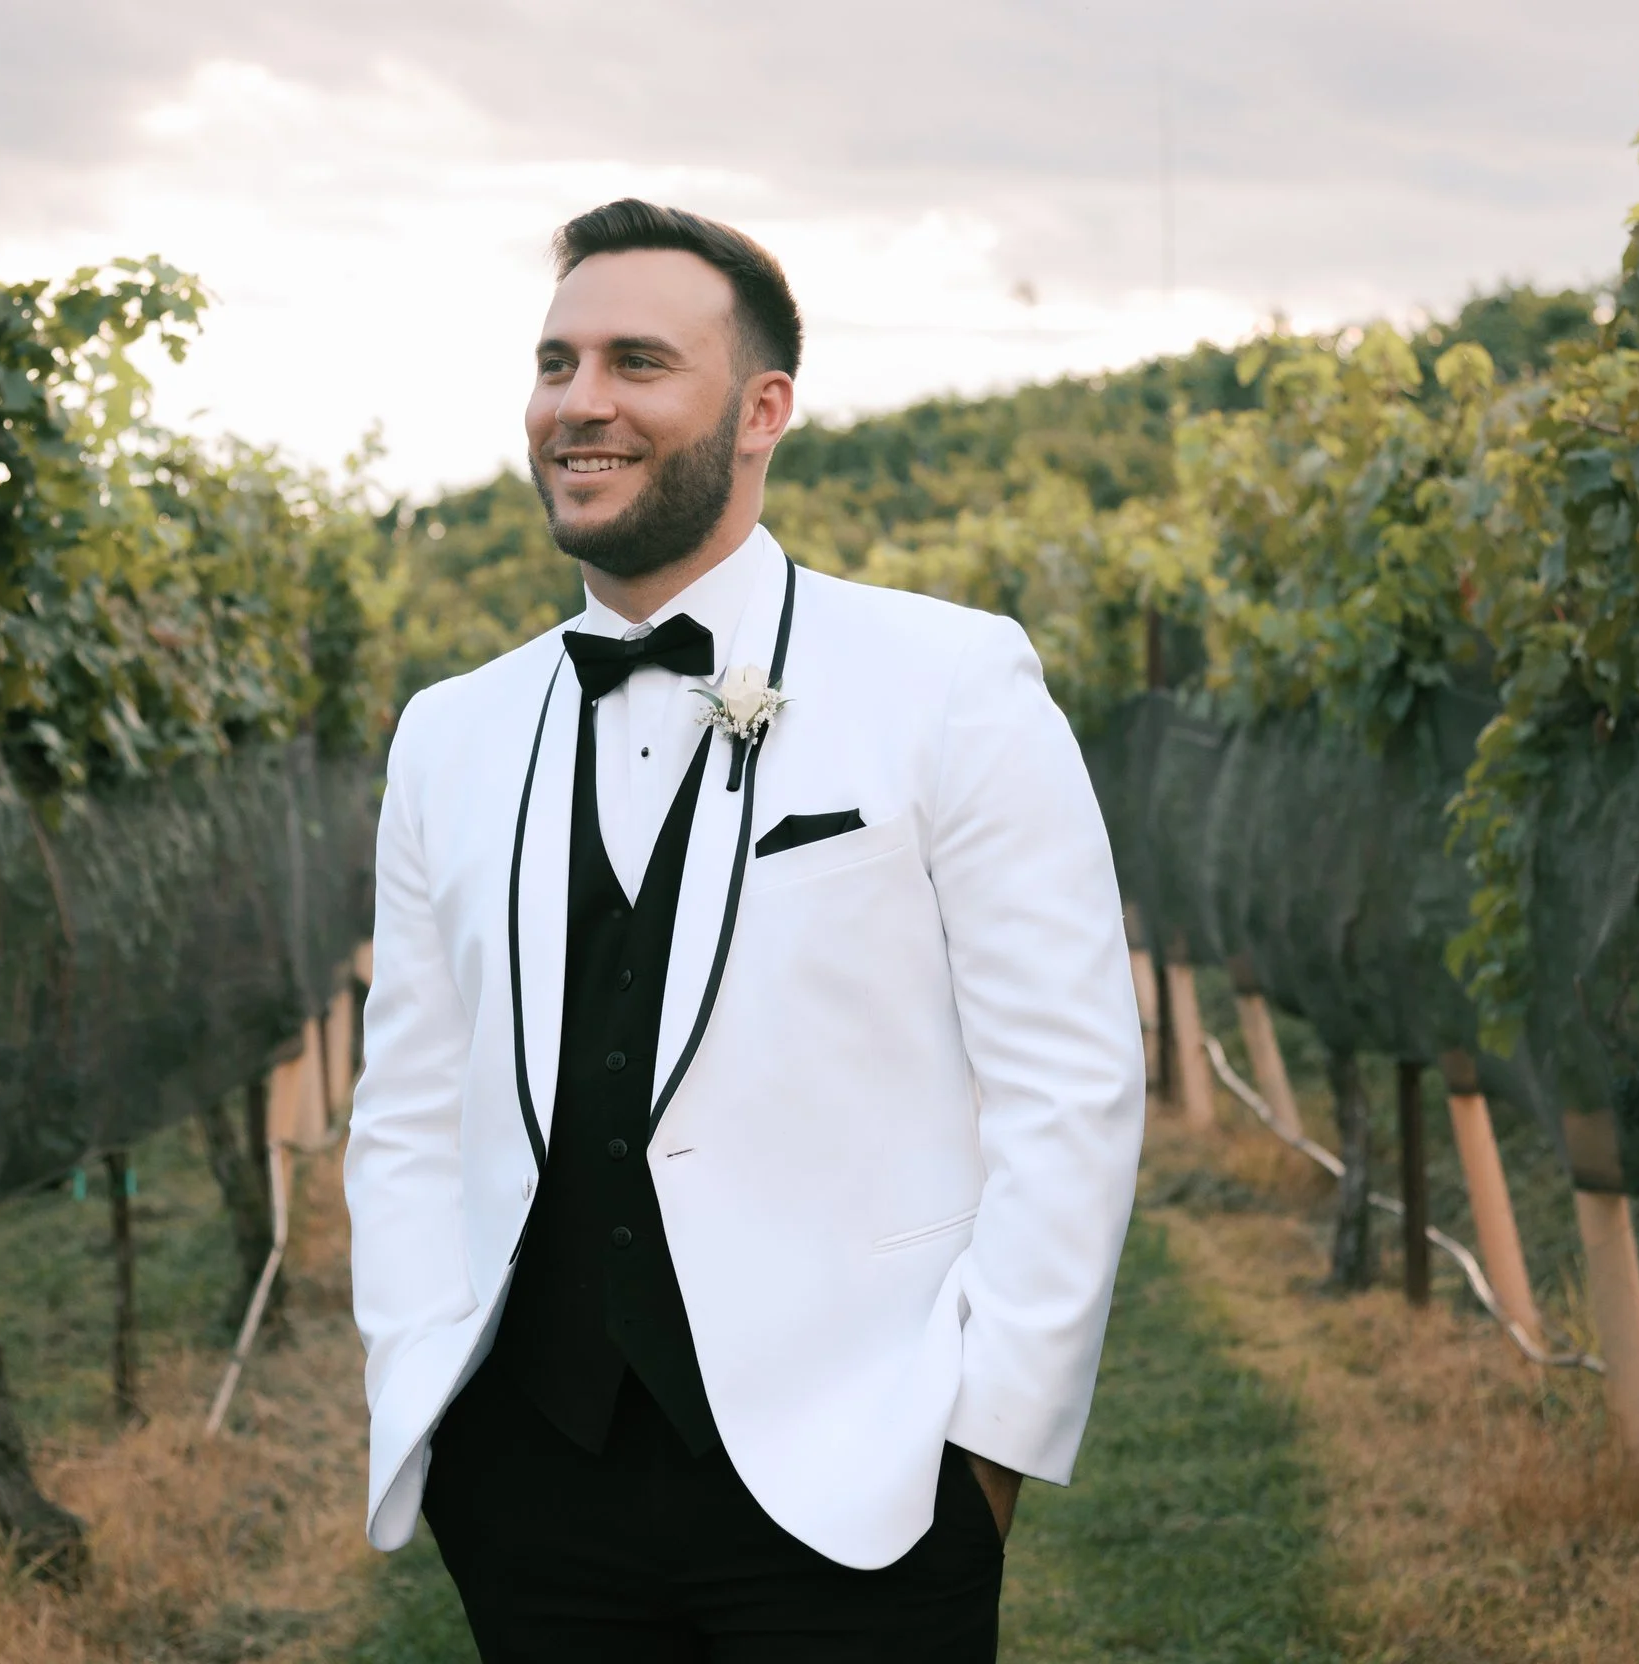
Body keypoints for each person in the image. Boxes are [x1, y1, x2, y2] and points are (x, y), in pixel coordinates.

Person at [343, 198, 1145, 1661]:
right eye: (557, 362)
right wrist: (423, 1388)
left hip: (866, 1484)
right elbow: (406, 1105)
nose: (580, 402)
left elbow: (1068, 1086)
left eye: (638, 362)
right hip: (530, 1489)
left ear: (763, 410)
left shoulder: (951, 682)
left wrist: (987, 1450)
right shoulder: (447, 735)